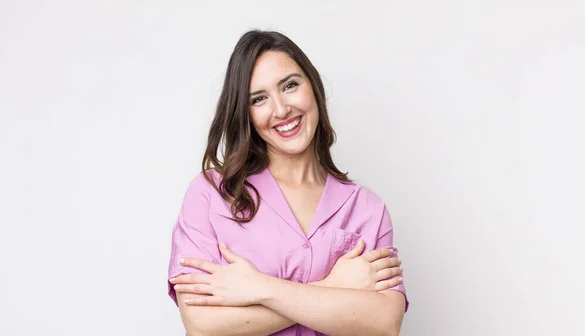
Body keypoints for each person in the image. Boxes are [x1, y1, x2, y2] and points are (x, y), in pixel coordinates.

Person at [167, 30, 408, 336]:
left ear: (313, 87)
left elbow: (384, 323)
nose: (281, 110)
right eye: (259, 99)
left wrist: (259, 288)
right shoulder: (211, 194)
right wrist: (333, 287)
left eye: (290, 85)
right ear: (246, 114)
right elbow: (203, 325)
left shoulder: (367, 209)